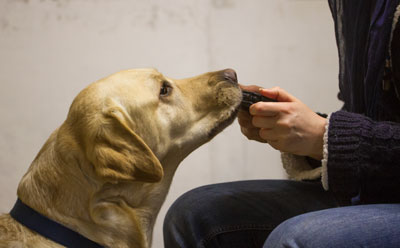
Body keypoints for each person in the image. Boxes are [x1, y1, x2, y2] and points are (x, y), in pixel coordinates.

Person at [163, 0, 400, 247]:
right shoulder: (357, 7)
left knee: (293, 240)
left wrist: (327, 137)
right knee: (192, 214)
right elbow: (373, 115)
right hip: (378, 184)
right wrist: (306, 136)